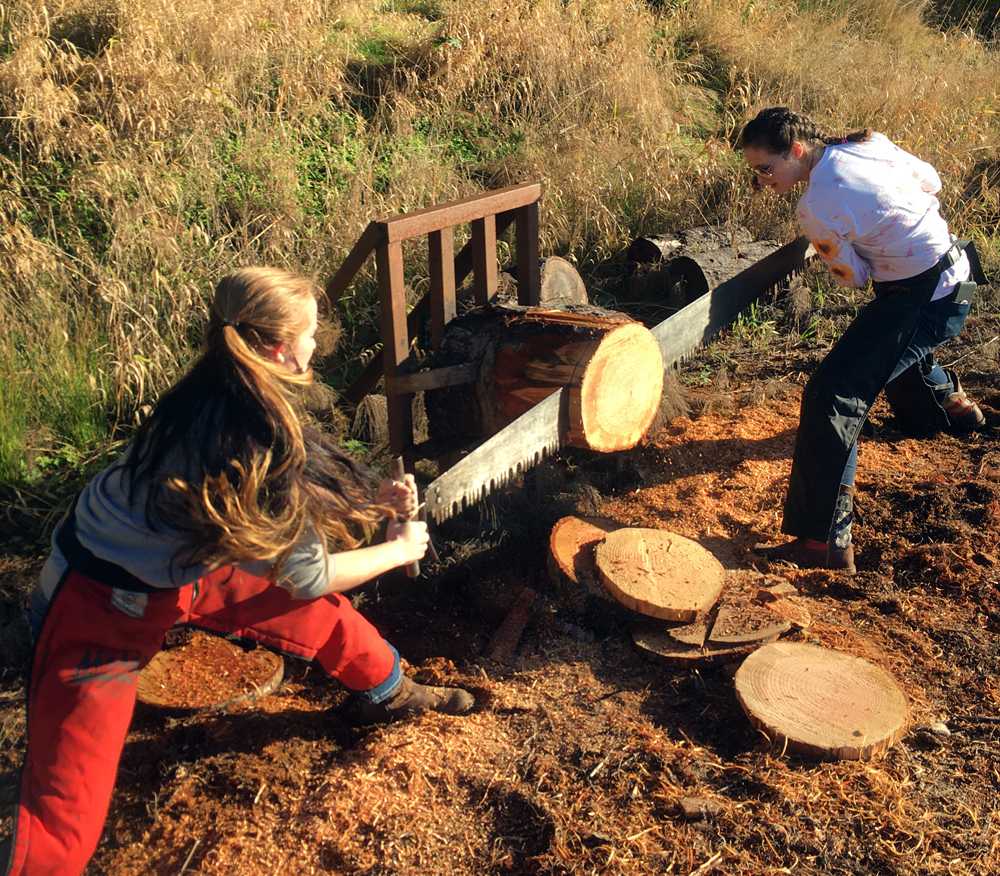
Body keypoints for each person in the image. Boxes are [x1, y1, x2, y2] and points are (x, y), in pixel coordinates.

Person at [4, 267, 474, 876]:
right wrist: (400, 549)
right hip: (99, 599)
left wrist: (371, 501)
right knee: (63, 815)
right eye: (309, 334)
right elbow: (304, 569)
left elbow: (283, 517)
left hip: (180, 562)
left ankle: (389, 691)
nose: (315, 345)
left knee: (320, 619)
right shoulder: (251, 432)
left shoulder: (229, 385)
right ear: (277, 346)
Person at [738, 107, 987, 574]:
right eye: (756, 173)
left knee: (836, 393)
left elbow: (854, 277)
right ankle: (949, 410)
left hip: (927, 295)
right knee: (891, 351)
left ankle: (824, 542)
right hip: (954, 271)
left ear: (796, 150)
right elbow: (931, 181)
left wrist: (841, 245)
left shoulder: (816, 206)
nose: (763, 181)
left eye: (766, 169)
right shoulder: (867, 143)